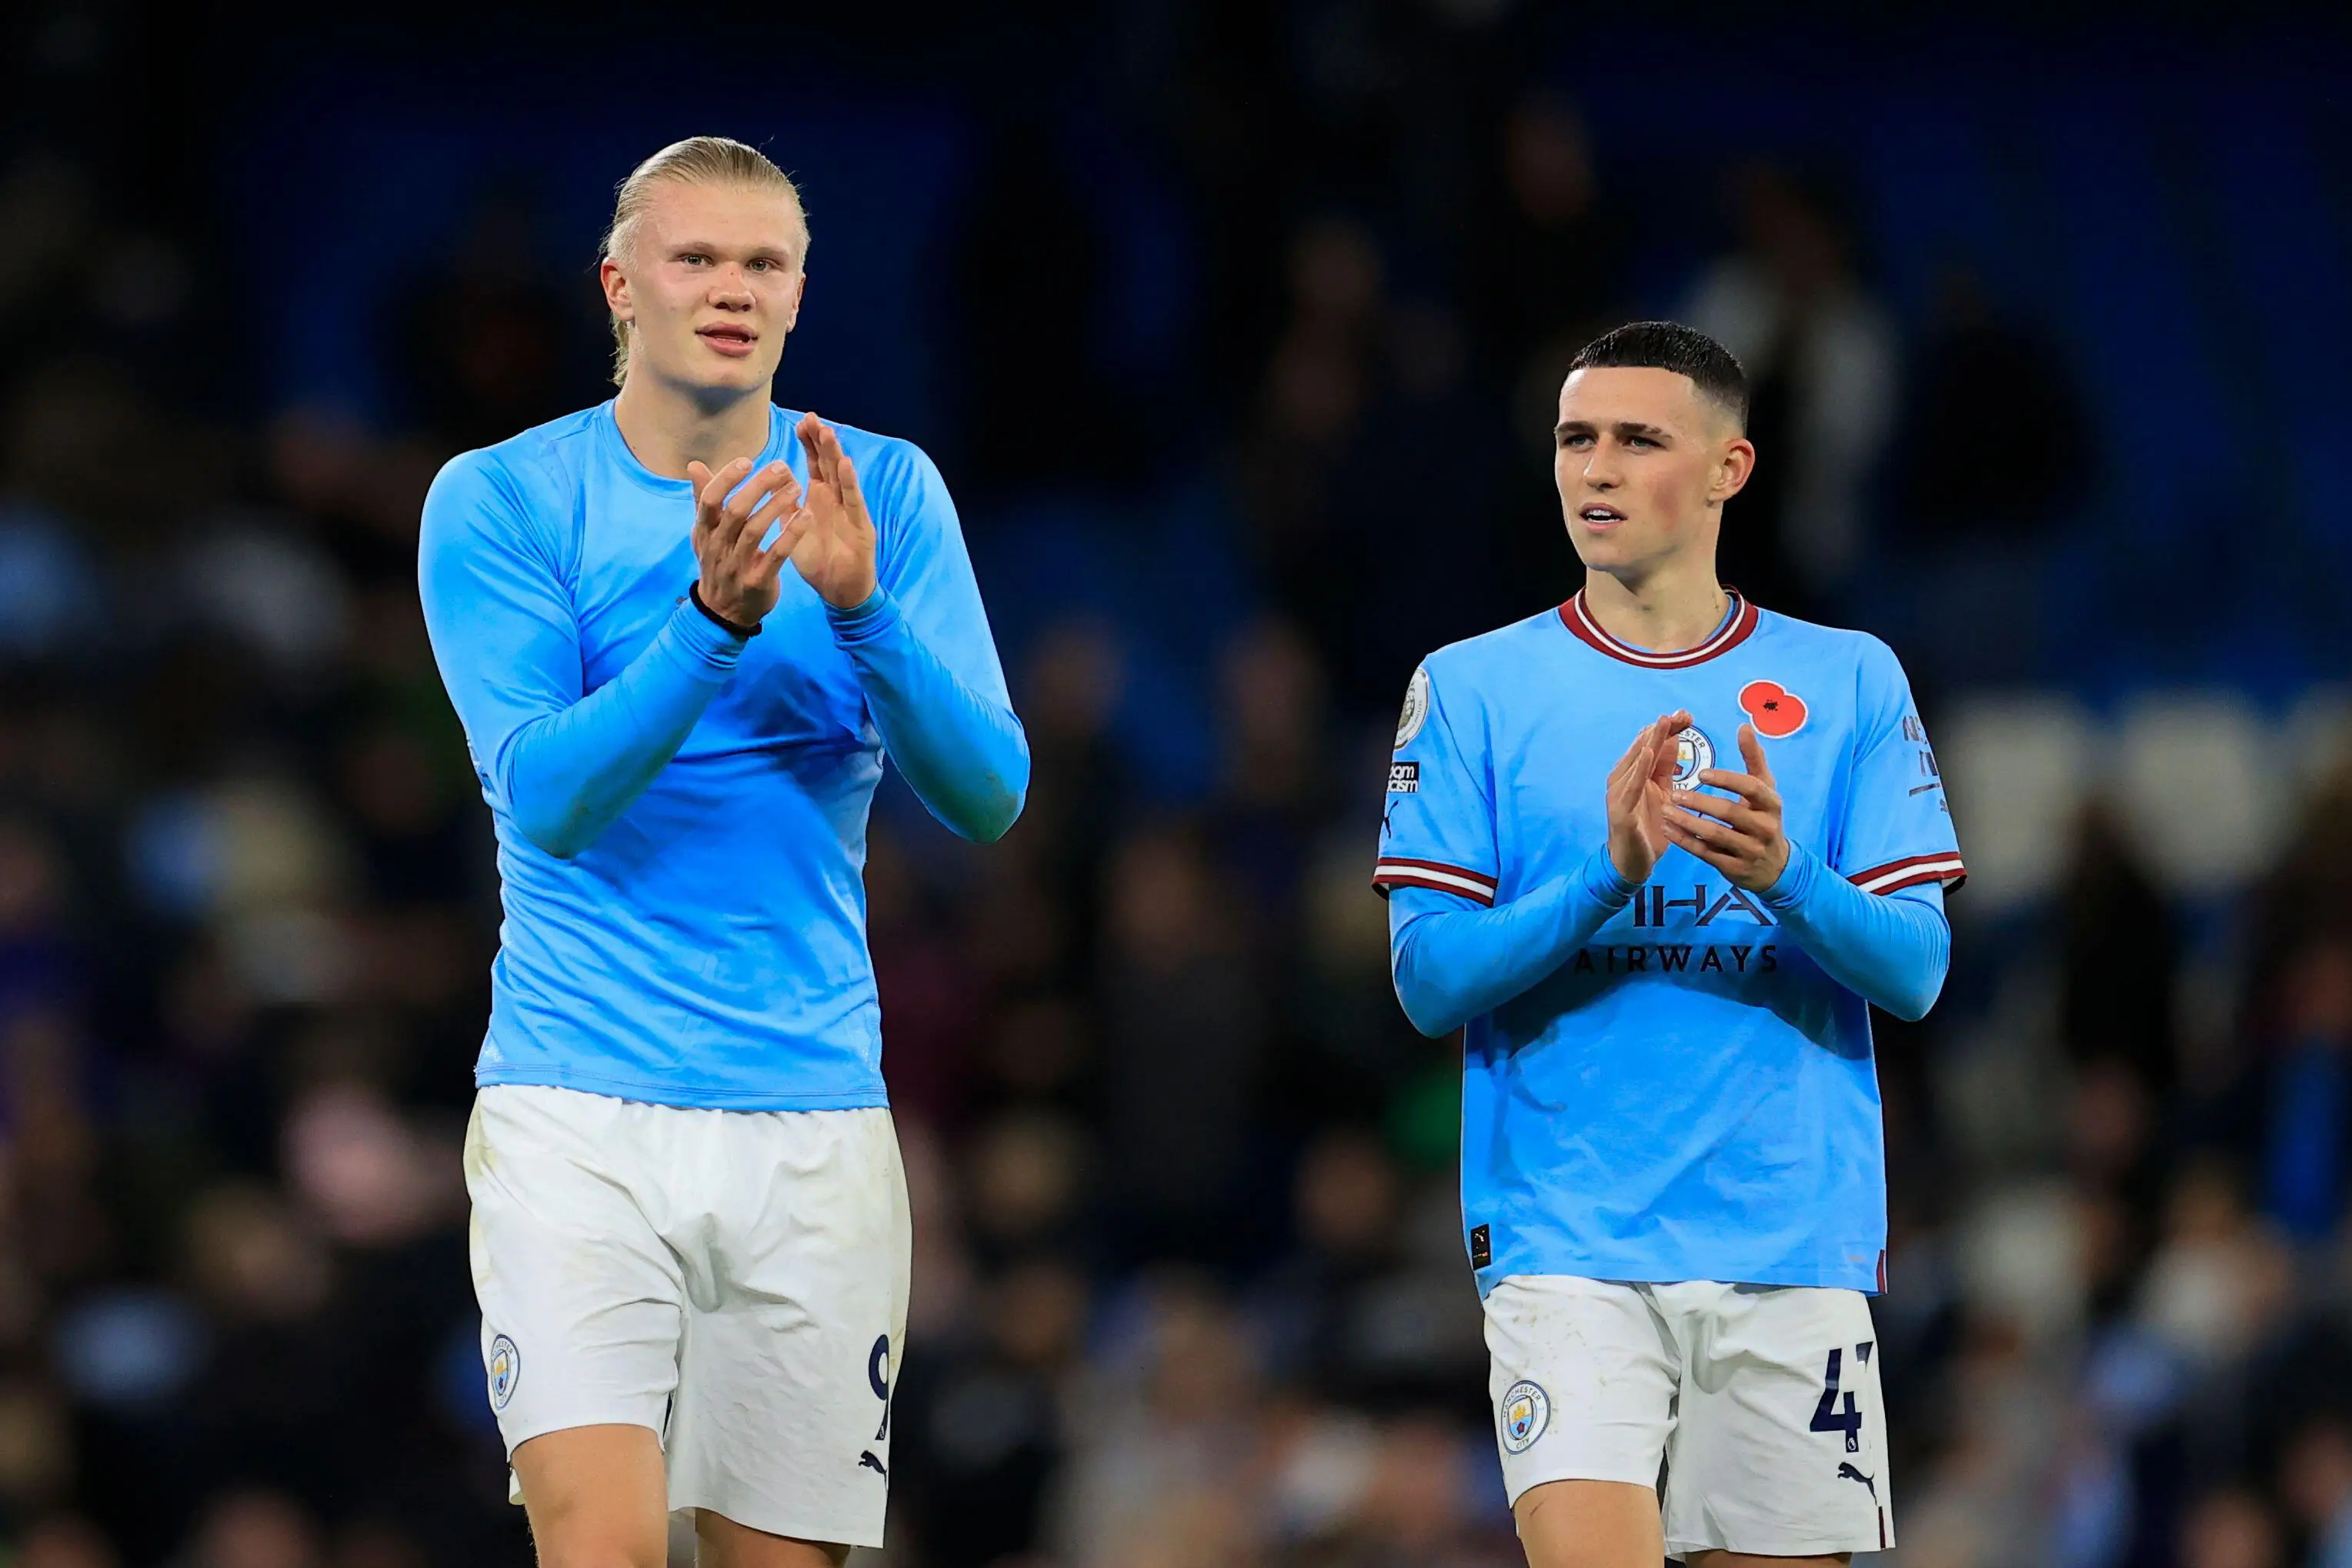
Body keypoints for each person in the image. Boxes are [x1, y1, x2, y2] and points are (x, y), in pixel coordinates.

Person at [417, 137, 1028, 1567]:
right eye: (696, 258)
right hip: (577, 1106)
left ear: (803, 295)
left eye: (764, 263)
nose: (731, 289)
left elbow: (990, 794)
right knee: (604, 1543)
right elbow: (546, 795)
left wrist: (865, 610)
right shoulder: (502, 499)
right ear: (619, 287)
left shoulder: (882, 493)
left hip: (810, 1114)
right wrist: (710, 625)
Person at [1373, 321, 1962, 1567]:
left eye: (1638, 440)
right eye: (1576, 439)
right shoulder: (1474, 687)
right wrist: (1606, 876)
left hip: (1791, 1244)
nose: (1596, 468)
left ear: (1726, 470)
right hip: (1568, 1245)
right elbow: (1428, 980)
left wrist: (1785, 875)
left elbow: (1916, 969)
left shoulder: (1848, 678)